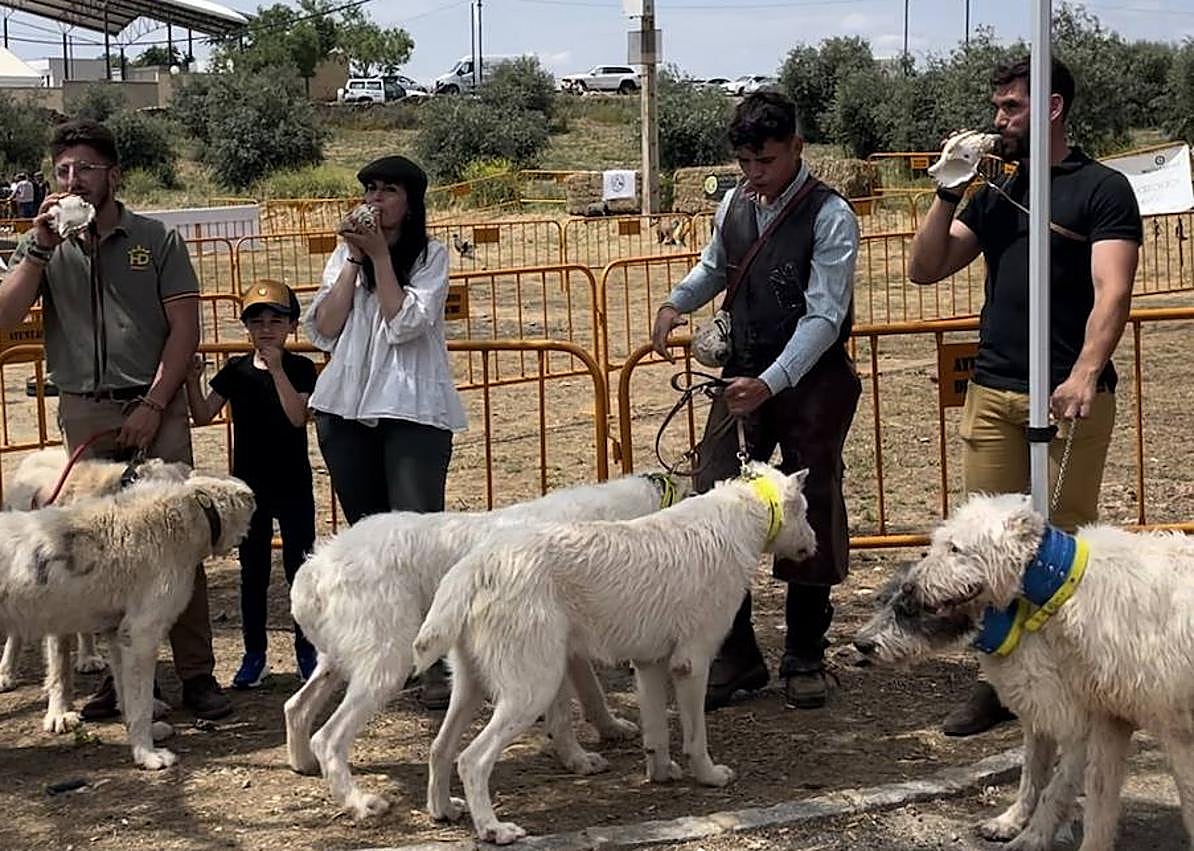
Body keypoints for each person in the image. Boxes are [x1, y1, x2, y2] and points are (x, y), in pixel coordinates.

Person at [908, 56, 1142, 736]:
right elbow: (925, 269)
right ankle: (997, 682)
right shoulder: (995, 189)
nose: (999, 119)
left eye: (1011, 106)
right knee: (980, 550)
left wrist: (1084, 372)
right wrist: (948, 192)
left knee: (1062, 545)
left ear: (1053, 108)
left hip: (1069, 398)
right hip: (994, 390)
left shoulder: (1102, 190)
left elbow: (1114, 291)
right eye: (999, 106)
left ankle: (1072, 674)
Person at [0, 119, 232, 721]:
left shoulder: (154, 240)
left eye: (85, 169)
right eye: (62, 170)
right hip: (84, 407)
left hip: (155, 403)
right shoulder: (46, 247)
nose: (73, 180)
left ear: (114, 176)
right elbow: (4, 318)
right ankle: (125, 682)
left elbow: (185, 329)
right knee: (99, 547)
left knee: (179, 536)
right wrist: (37, 245)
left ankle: (196, 674)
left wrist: (155, 404)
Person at [650, 91, 861, 711]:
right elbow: (715, 265)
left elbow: (825, 315)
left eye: (765, 161)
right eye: (745, 162)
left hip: (811, 384)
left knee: (810, 502)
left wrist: (773, 379)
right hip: (742, 379)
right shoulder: (733, 203)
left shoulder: (830, 215)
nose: (754, 174)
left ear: (797, 146)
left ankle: (804, 654)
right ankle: (737, 655)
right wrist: (676, 302)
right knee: (715, 497)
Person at [304, 154, 467, 709]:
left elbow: (404, 323)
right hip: (345, 409)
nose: (376, 199)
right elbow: (324, 329)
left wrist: (380, 258)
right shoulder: (344, 256)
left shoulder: (432, 256)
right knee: (372, 540)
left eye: (389, 190)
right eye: (370, 189)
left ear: (411, 200)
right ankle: (387, 654)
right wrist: (353, 259)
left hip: (412, 409)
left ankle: (438, 663)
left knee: (419, 537)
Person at [186, 280, 318, 689]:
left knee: (301, 570)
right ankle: (254, 654)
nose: (266, 329)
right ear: (246, 327)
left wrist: (277, 368)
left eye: (275, 321)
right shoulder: (235, 371)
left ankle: (306, 650)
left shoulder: (300, 367)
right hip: (249, 490)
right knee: (253, 573)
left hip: (293, 483)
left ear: (292, 326)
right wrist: (192, 380)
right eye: (257, 321)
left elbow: (299, 416)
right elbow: (205, 414)